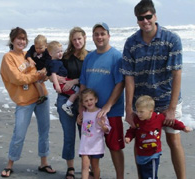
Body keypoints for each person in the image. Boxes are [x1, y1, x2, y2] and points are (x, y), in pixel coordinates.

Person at [120, 0, 186, 178]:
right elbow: (129, 77)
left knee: (173, 140)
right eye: (141, 18)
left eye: (148, 16)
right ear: (137, 20)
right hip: (141, 104)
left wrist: (171, 109)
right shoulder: (131, 43)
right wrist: (128, 109)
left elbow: (177, 74)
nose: (145, 21)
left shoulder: (172, 40)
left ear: (155, 16)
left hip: (167, 100)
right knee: (141, 141)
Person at [0, 27, 56, 177]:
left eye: (24, 39)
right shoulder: (8, 58)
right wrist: (36, 76)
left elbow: (41, 69)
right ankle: (10, 163)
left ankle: (44, 162)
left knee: (44, 132)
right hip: (24, 101)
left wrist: (43, 74)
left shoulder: (29, 54)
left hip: (41, 97)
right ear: (12, 40)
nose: (22, 41)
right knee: (19, 134)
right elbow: (17, 78)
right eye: (19, 38)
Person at [80, 22, 125, 179]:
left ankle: (120, 177)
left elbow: (121, 83)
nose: (99, 37)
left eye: (102, 33)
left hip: (111, 111)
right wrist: (81, 109)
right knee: (90, 147)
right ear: (92, 37)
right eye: (96, 34)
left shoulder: (116, 56)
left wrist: (108, 105)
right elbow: (83, 83)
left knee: (114, 146)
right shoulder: (89, 57)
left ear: (108, 36)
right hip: (91, 112)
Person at [125, 95, 191, 179]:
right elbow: (132, 130)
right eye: (137, 111)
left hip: (153, 154)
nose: (138, 114)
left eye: (141, 112)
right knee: (143, 175)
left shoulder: (158, 118)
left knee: (151, 176)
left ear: (150, 111)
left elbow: (173, 123)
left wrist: (183, 127)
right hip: (141, 155)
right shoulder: (137, 120)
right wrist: (128, 137)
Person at [56, 27, 88, 179]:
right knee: (69, 135)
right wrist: (56, 80)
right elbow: (52, 71)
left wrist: (75, 80)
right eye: (74, 39)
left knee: (86, 135)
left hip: (85, 100)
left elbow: (91, 77)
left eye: (79, 39)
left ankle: (87, 167)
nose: (77, 42)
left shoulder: (90, 56)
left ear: (84, 38)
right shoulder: (65, 56)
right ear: (71, 40)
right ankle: (70, 168)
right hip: (65, 100)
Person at [77, 88, 111, 179]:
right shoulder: (83, 113)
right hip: (85, 145)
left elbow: (108, 129)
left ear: (96, 99)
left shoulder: (100, 113)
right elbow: (81, 124)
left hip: (96, 145)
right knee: (85, 166)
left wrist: (103, 126)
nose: (89, 102)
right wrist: (78, 120)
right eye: (86, 101)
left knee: (95, 166)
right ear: (83, 103)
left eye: (91, 99)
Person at [46, 41, 80, 117]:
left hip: (63, 82)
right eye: (58, 52)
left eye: (61, 51)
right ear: (51, 54)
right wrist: (57, 85)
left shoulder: (57, 61)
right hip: (61, 83)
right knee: (78, 90)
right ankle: (67, 105)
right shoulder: (55, 63)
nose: (61, 53)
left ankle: (61, 102)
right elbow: (53, 74)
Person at [26, 35, 51, 104]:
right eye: (36, 48)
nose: (38, 50)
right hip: (35, 68)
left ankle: (42, 96)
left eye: (40, 48)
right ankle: (40, 95)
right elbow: (27, 54)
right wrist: (30, 59)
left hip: (44, 68)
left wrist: (45, 69)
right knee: (36, 81)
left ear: (45, 46)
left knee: (37, 81)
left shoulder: (47, 51)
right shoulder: (32, 48)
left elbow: (49, 61)